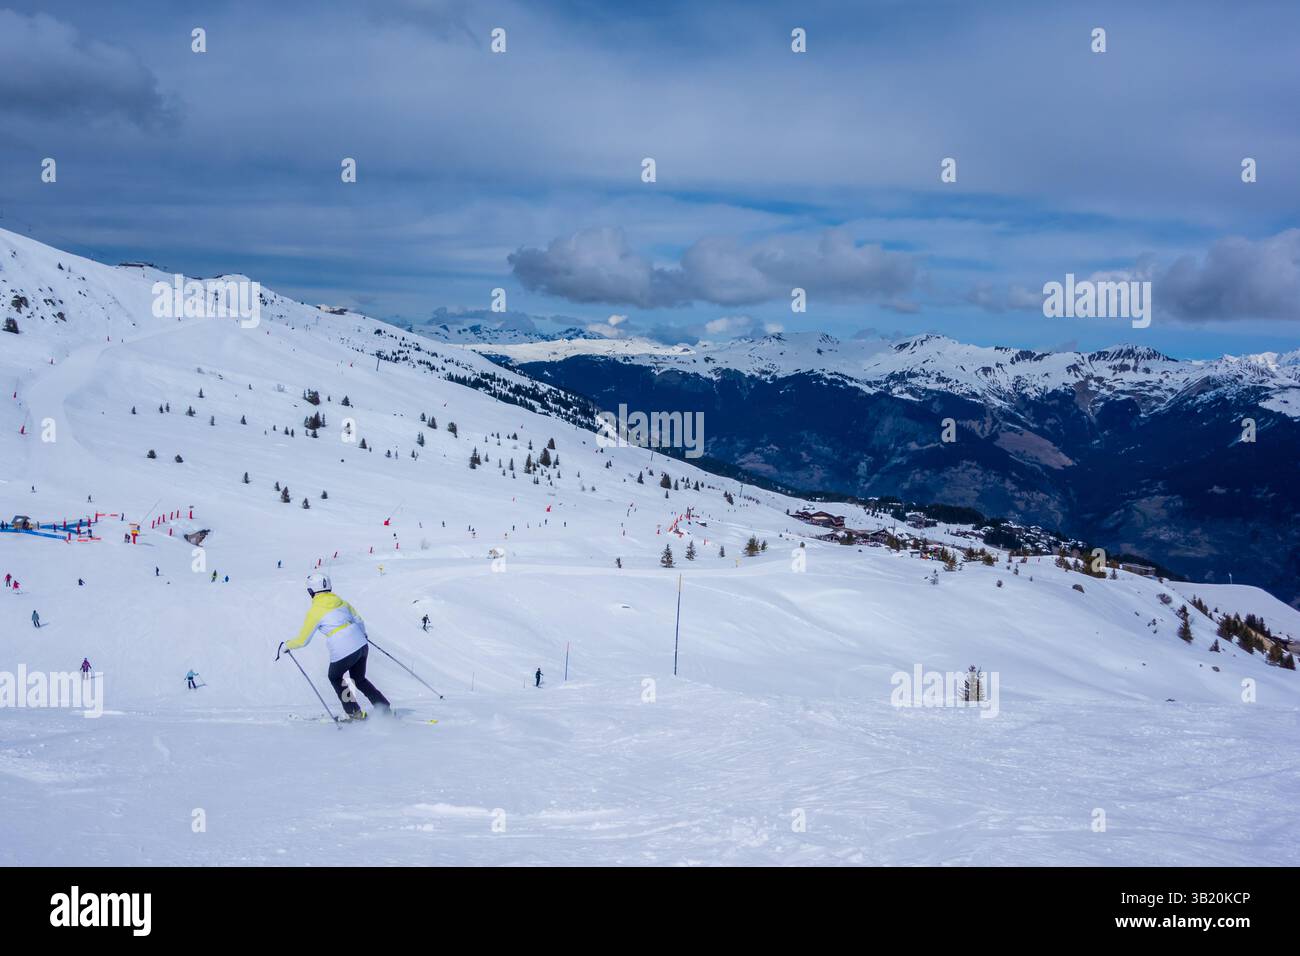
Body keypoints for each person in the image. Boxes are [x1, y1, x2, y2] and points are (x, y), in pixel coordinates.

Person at [281, 573, 389, 719]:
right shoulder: (341, 602)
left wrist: (287, 645)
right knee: (359, 679)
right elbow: (358, 619)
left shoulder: (315, 611)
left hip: (343, 648)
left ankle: (354, 713)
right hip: (362, 645)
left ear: (311, 591)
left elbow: (302, 640)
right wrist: (363, 635)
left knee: (335, 677)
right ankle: (383, 708)